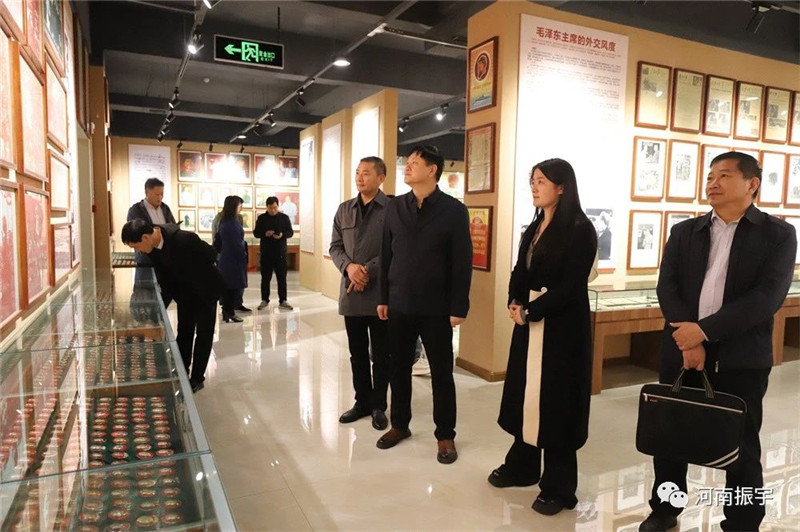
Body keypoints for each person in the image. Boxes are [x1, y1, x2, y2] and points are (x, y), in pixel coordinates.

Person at [640, 152, 797, 532]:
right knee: (670, 436)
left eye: (724, 175)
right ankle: (665, 509)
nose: (713, 183)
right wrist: (689, 339)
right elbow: (667, 287)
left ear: (752, 184)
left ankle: (743, 521)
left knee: (742, 443)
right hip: (681, 350)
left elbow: (766, 298)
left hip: (741, 357)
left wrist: (704, 332)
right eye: (710, 175)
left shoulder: (777, 234)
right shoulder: (685, 231)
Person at [489, 158, 597, 517]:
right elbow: (520, 270)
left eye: (541, 181)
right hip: (530, 323)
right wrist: (514, 299)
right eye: (532, 181)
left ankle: (559, 486)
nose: (534, 187)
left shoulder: (580, 229)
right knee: (525, 395)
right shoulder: (535, 225)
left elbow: (571, 286)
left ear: (561, 187)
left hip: (562, 330)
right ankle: (522, 466)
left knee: (557, 402)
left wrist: (532, 310)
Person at [376, 145, 472, 464]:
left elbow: (462, 262)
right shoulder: (395, 206)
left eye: (415, 163)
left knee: (442, 374)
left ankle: (445, 434)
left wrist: (459, 306)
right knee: (398, 369)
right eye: (408, 162)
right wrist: (383, 298)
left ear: (432, 170)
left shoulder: (453, 210)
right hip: (399, 303)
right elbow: (386, 254)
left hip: (437, 308)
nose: (408, 166)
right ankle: (399, 425)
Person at [121, 219, 226, 393]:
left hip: (206, 292)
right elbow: (165, 279)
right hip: (184, 294)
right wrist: (158, 309)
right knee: (184, 332)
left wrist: (196, 273)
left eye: (136, 247)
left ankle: (197, 378)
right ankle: (181, 371)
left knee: (204, 334)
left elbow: (211, 254)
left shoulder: (185, 239)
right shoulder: (152, 249)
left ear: (146, 237)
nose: (138, 251)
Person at [330, 156, 391, 431]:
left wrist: (366, 270)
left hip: (380, 293)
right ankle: (362, 401)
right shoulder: (345, 209)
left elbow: (396, 247)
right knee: (357, 353)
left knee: (381, 354)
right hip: (351, 293)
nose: (359, 177)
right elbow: (335, 246)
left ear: (381, 178)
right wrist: (349, 268)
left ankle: (379, 405)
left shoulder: (392, 209)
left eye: (366, 173)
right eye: (357, 172)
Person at [253, 196, 294, 310]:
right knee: (265, 278)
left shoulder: (284, 218)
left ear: (278, 206)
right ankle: (264, 299)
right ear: (267, 207)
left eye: (275, 207)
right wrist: (265, 233)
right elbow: (256, 233)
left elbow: (290, 232)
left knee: (282, 278)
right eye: (270, 208)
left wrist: (282, 235)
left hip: (280, 253)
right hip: (266, 253)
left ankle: (283, 300)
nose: (273, 210)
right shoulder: (262, 218)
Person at [212, 204, 250, 313]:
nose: (241, 208)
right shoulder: (222, 220)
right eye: (239, 206)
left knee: (237, 281)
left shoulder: (238, 218)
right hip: (227, 254)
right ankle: (227, 307)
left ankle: (236, 304)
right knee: (228, 282)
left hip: (236, 255)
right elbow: (217, 237)